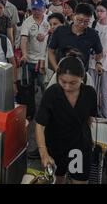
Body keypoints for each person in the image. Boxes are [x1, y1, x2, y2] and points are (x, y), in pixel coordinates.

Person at [35, 55, 97, 184]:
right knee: (57, 179)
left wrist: (89, 140)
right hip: (56, 145)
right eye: (63, 81)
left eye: (73, 83)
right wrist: (43, 152)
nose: (67, 87)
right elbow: (40, 125)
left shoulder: (90, 93)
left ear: (82, 77)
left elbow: (89, 119)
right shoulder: (52, 93)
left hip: (79, 147)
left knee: (79, 180)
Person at [48, 3, 103, 72]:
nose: (82, 24)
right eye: (79, 20)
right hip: (61, 72)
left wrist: (98, 62)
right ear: (74, 16)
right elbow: (51, 51)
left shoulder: (92, 34)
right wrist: (56, 68)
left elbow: (99, 53)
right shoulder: (60, 31)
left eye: (86, 22)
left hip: (81, 74)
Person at [20, 0, 50, 119]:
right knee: (29, 88)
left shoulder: (49, 21)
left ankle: (46, 112)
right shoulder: (27, 21)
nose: (36, 12)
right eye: (34, 9)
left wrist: (47, 34)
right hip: (30, 60)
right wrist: (24, 54)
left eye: (39, 9)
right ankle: (31, 113)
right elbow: (23, 38)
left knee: (45, 86)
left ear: (44, 9)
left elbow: (56, 30)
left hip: (44, 59)